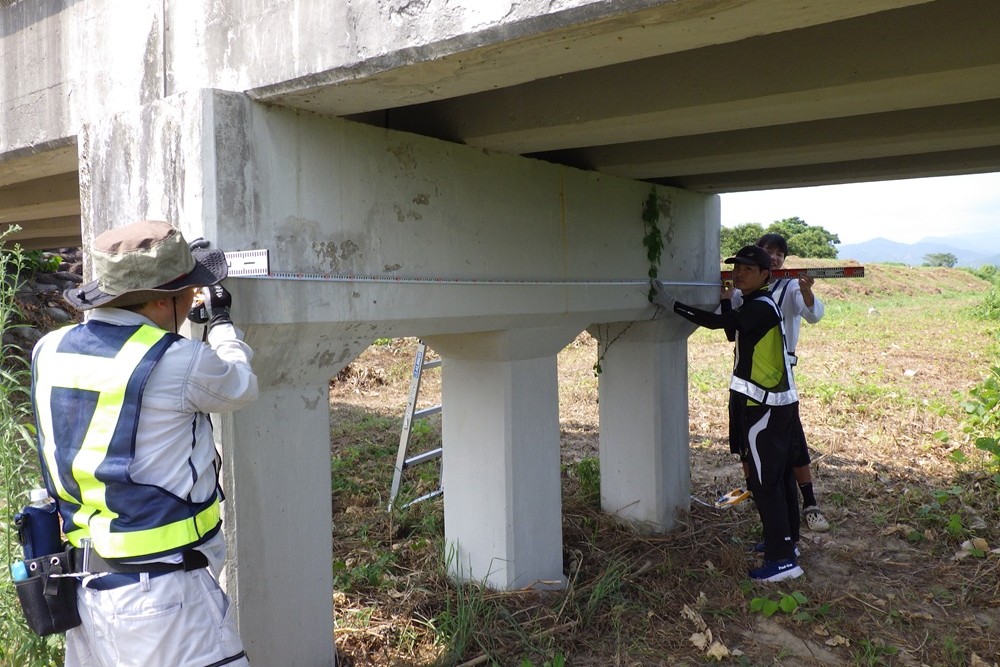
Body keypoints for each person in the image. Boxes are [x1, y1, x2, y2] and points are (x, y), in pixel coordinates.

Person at [30, 220, 258, 667]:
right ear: (159, 299)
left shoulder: (49, 349)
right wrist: (222, 325)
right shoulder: (178, 360)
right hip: (163, 599)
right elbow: (241, 386)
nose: (195, 297)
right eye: (189, 291)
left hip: (84, 590)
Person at [651, 245, 803, 582]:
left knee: (766, 483)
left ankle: (782, 560)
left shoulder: (762, 306)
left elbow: (717, 323)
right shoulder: (753, 305)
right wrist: (725, 299)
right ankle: (785, 544)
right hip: (770, 406)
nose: (739, 273)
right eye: (737, 268)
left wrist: (671, 304)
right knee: (776, 479)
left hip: (764, 409)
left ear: (766, 275)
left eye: (748, 269)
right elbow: (732, 330)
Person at [729, 233, 830, 532]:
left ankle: (809, 503)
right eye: (767, 251)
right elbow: (727, 322)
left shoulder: (790, 287)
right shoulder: (742, 289)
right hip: (745, 376)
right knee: (746, 438)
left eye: (779, 254)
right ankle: (754, 492)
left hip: (779, 382)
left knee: (791, 441)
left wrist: (808, 292)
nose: (773, 257)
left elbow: (813, 314)